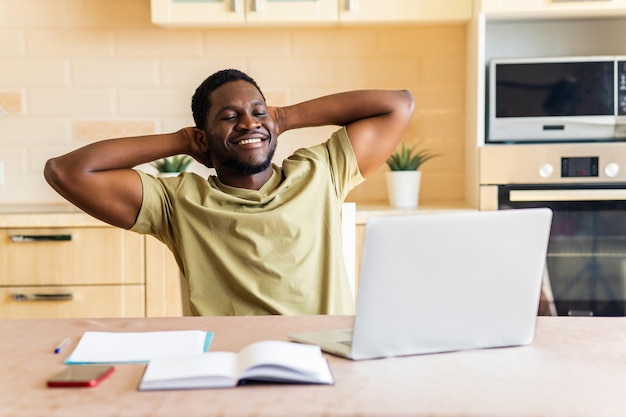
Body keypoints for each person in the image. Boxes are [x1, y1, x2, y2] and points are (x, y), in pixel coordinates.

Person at [44, 69, 415, 316]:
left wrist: (284, 117)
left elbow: (398, 104)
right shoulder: (177, 203)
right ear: (204, 137)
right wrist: (182, 140)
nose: (249, 122)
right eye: (229, 116)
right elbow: (66, 171)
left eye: (258, 112)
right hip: (229, 362)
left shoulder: (321, 172)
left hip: (324, 356)